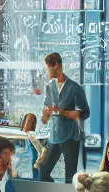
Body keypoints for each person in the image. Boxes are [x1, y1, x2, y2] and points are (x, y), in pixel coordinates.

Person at [36, 53, 90, 183]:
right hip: (54, 136)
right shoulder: (49, 87)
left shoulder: (75, 88)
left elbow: (80, 114)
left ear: (56, 65)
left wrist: (61, 112)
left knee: (70, 176)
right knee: (43, 170)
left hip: (71, 137)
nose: (46, 71)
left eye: (48, 67)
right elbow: (44, 118)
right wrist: (45, 114)